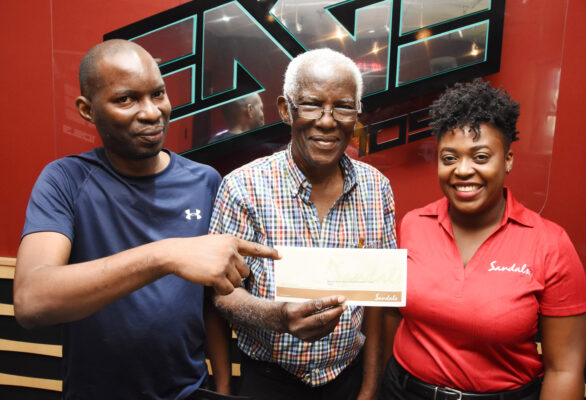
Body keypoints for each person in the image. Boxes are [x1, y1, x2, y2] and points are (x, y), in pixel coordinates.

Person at [13, 39, 279, 400]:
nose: (152, 112)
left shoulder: (205, 181)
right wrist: (165, 255)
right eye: (126, 99)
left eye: (158, 94)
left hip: (188, 390)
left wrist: (224, 385)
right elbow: (32, 301)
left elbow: (212, 300)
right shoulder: (65, 180)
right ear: (87, 110)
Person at [379, 79, 586, 400]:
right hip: (403, 391)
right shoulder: (413, 225)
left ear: (508, 160)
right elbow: (392, 314)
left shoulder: (550, 245)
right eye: (449, 158)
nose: (462, 170)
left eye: (480, 156)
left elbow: (565, 369)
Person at [209, 48, 396, 400]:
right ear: (285, 109)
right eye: (311, 104)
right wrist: (276, 316)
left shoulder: (377, 189)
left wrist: (370, 387)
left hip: (347, 379)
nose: (327, 121)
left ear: (356, 113)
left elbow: (376, 300)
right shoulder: (242, 187)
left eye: (343, 106)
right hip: (267, 381)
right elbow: (221, 295)